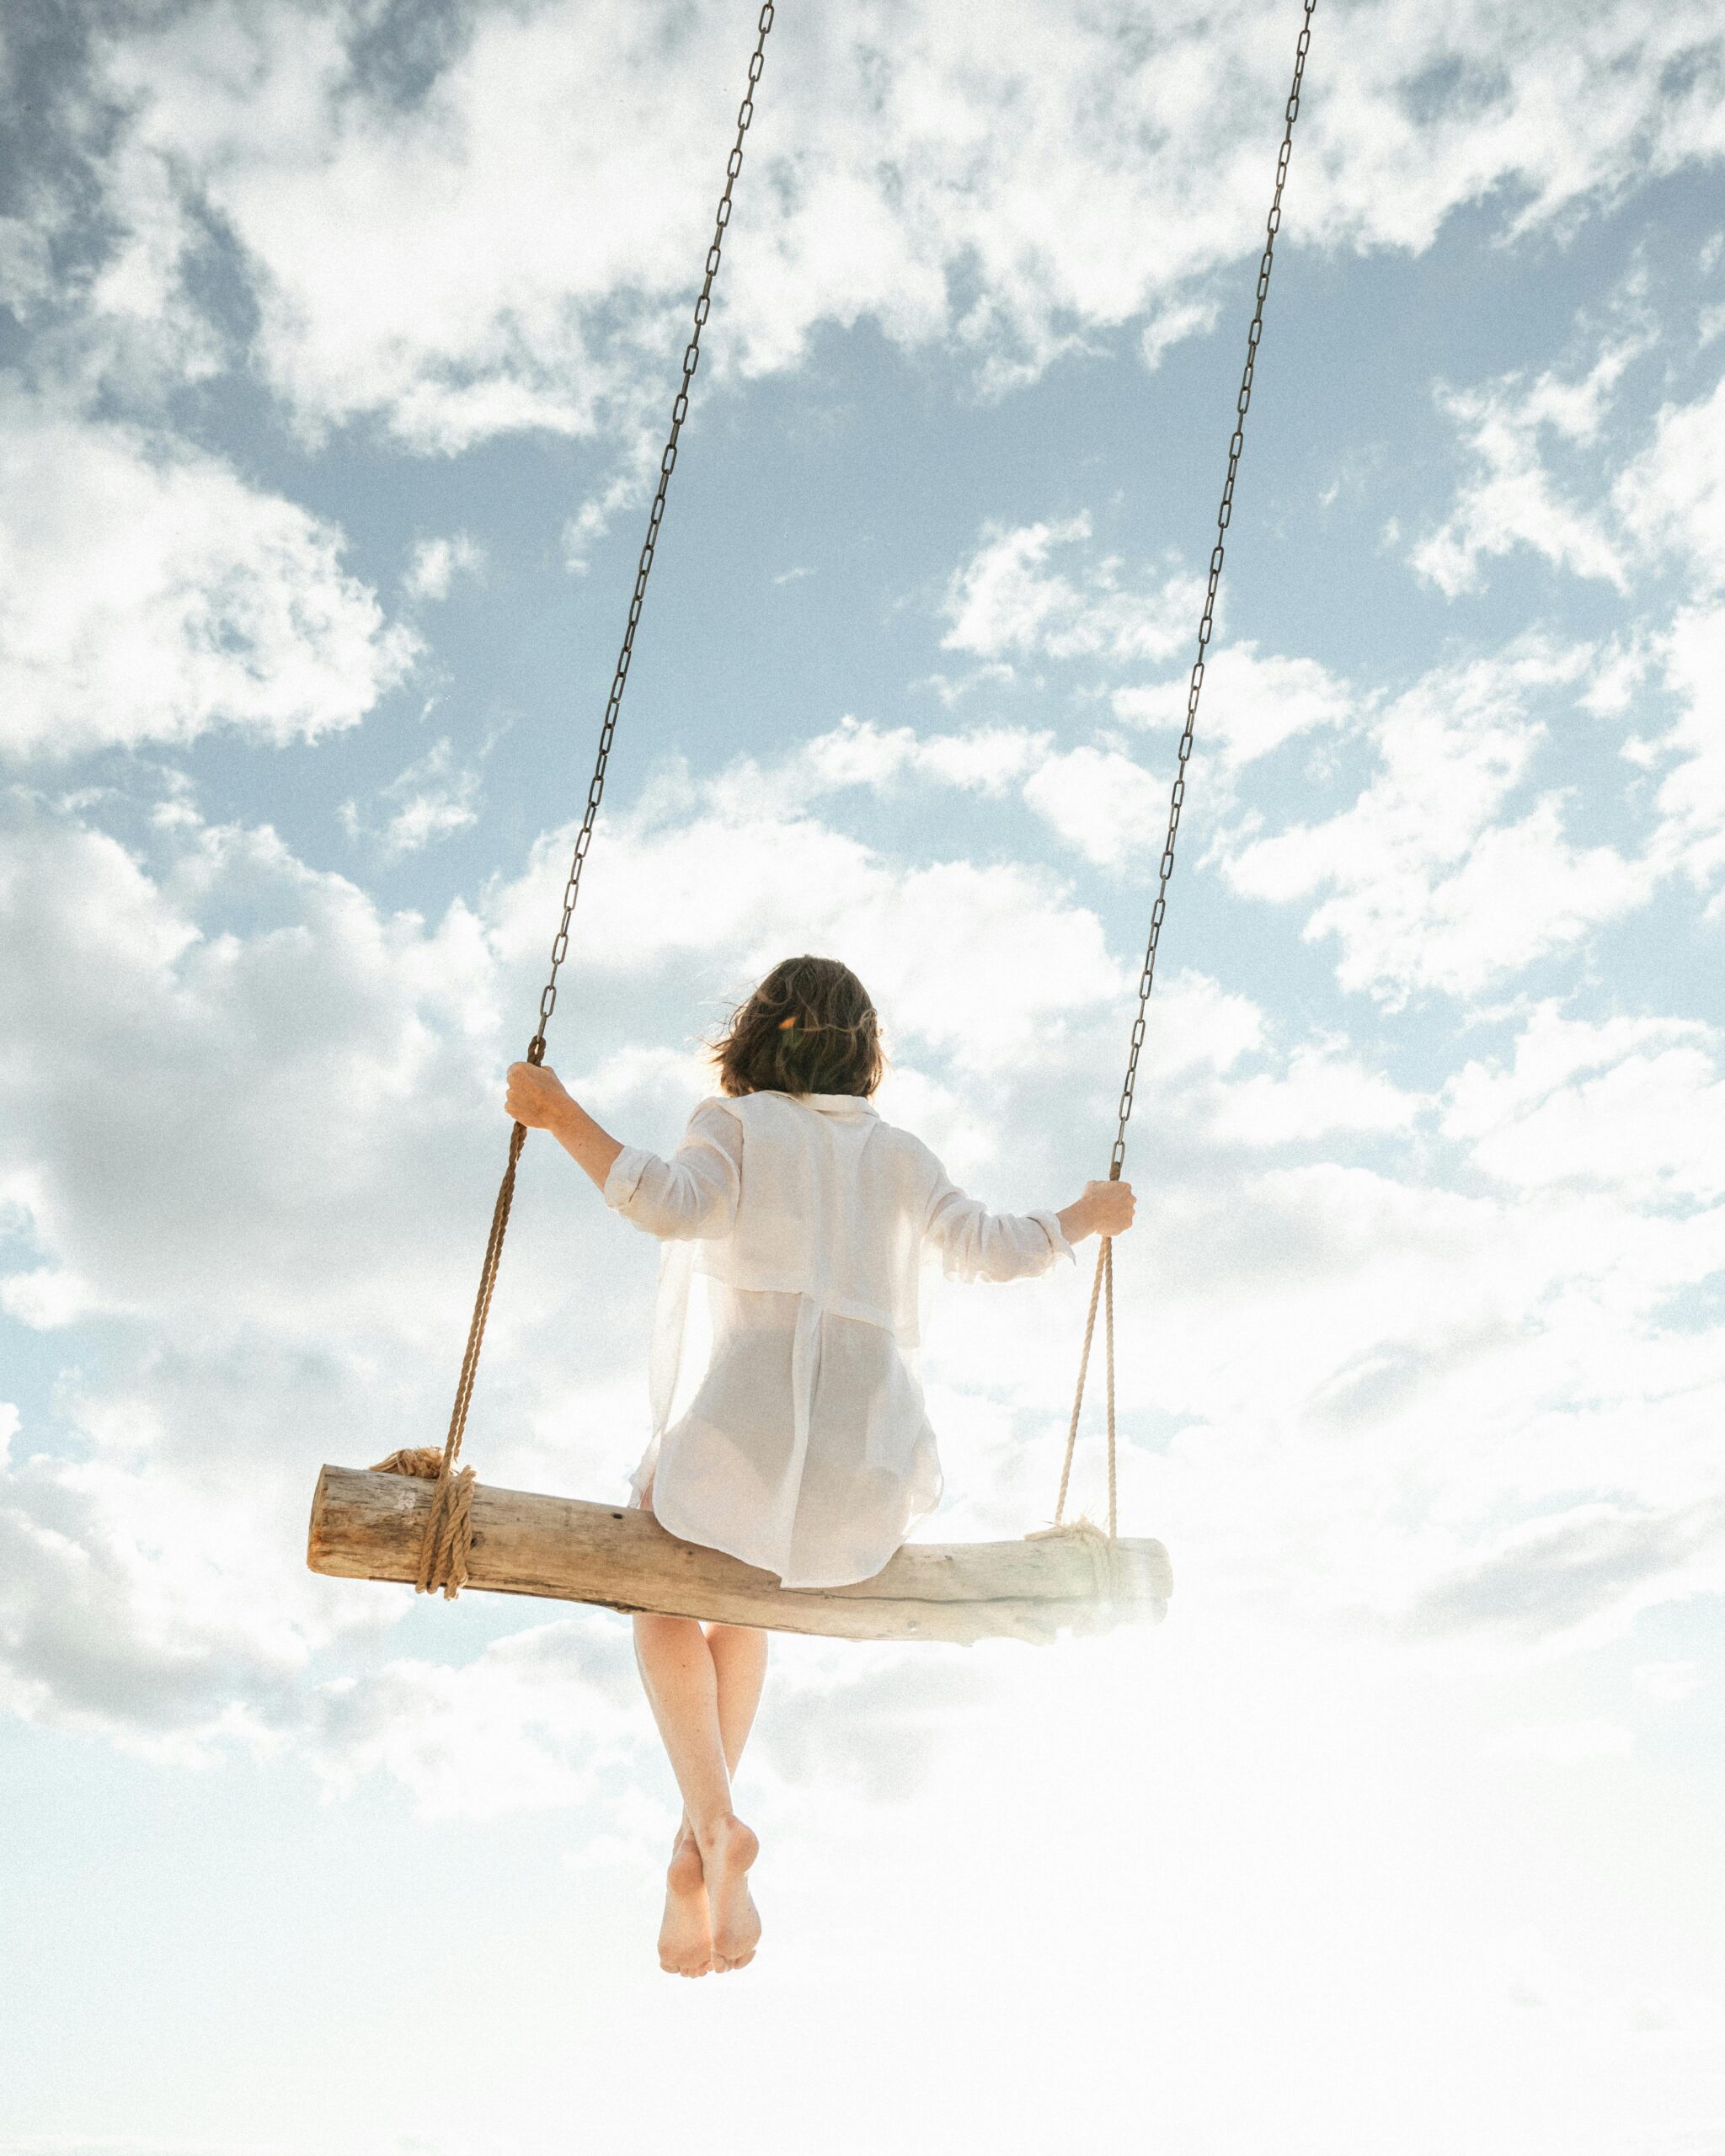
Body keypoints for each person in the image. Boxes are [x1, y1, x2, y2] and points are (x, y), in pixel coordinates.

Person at [504, 954, 1136, 1978]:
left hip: (744, 1435)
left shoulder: (737, 1124)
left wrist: (557, 1108)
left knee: (658, 1594)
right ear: (863, 1051)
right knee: (743, 1604)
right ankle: (699, 1839)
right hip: (864, 1473)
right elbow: (996, 1247)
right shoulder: (898, 1155)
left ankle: (712, 1825)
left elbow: (666, 1203)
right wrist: (1084, 1216)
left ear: (757, 1034)